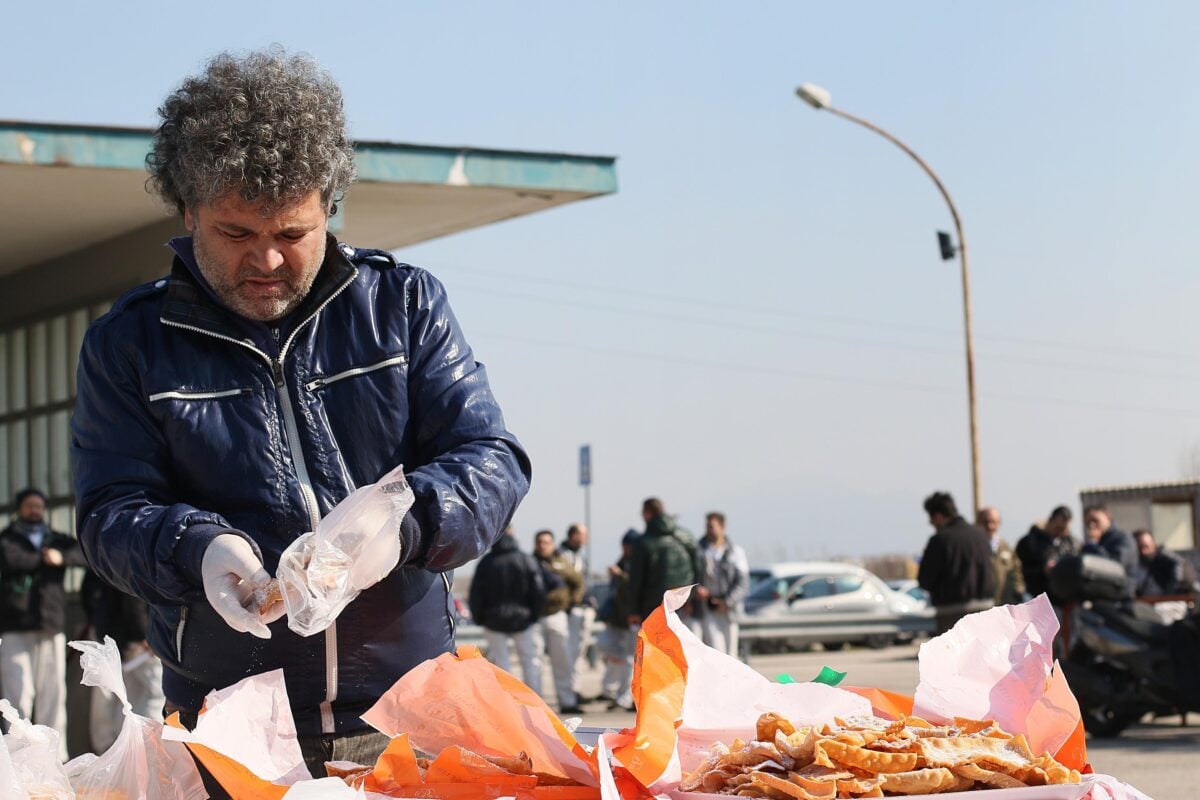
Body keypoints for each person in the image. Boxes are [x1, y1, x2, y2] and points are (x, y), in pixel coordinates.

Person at [70, 49, 531, 786]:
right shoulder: (127, 344)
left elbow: (490, 458)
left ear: (329, 208)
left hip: (404, 709)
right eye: (235, 234)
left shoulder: (403, 306)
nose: (268, 261)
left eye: (292, 233)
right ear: (187, 211)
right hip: (229, 721)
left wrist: (401, 528)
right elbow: (108, 512)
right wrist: (199, 547)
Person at [0, 487, 88, 757]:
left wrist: (60, 558)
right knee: (19, 693)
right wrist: (43, 559)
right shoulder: (8, 539)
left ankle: (55, 757)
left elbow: (83, 555)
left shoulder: (56, 539)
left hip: (51, 624)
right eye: (29, 506)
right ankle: (17, 755)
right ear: (20, 509)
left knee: (53, 693)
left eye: (39, 506)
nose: (35, 510)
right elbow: (11, 560)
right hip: (14, 626)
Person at [80, 569, 165, 752]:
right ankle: (141, 747)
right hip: (134, 640)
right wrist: (145, 634)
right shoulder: (133, 555)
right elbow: (133, 599)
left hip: (119, 635)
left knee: (127, 698)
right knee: (155, 692)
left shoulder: (111, 552)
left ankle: (126, 748)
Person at [468, 528, 545, 694]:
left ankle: (507, 702)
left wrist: (479, 617)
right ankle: (535, 700)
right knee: (530, 661)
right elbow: (537, 590)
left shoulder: (486, 562)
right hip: (523, 618)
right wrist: (534, 615)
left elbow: (476, 594)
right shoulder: (526, 560)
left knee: (501, 663)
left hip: (493, 619)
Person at [916, 492, 995, 634]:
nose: (932, 524)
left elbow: (925, 580)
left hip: (951, 614)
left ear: (938, 516)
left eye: (932, 519)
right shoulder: (981, 535)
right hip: (985, 611)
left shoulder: (939, 540)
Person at [627, 498, 703, 626]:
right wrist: (694, 597)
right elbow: (699, 567)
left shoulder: (643, 543)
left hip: (655, 606)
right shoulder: (686, 536)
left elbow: (636, 580)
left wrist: (634, 610)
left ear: (648, 513)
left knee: (658, 645)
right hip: (684, 603)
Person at [533, 530, 584, 713]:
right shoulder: (530, 563)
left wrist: (572, 603)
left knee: (562, 660)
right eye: (539, 542)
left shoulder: (562, 563)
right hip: (536, 617)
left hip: (557, 615)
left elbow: (578, 582)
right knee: (535, 662)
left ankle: (567, 701)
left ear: (553, 544)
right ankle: (536, 705)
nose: (542, 545)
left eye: (546, 542)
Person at [694, 512, 750, 656]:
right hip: (708, 608)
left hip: (729, 610)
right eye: (707, 526)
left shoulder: (735, 552)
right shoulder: (699, 551)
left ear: (722, 527)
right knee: (716, 651)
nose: (708, 530)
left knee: (731, 653)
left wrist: (727, 602)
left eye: (711, 526)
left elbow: (742, 583)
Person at [598, 530, 640, 712]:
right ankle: (614, 690)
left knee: (631, 659)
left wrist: (620, 575)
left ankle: (624, 697)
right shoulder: (623, 561)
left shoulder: (638, 562)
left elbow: (634, 587)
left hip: (632, 618)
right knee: (608, 649)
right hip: (618, 618)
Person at [560, 523, 597, 702]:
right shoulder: (562, 555)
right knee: (570, 652)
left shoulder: (582, 555)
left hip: (584, 608)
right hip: (570, 610)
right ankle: (570, 691)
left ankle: (576, 688)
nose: (585, 539)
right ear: (574, 535)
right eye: (583, 535)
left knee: (579, 652)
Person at [1015, 506, 1079, 604]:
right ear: (1050, 521)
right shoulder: (1031, 541)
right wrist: (1043, 567)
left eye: (1064, 529)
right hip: (1036, 596)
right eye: (1058, 527)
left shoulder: (1070, 543)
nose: (1060, 532)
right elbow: (1021, 565)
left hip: (1062, 600)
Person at [976, 506, 1025, 605]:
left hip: (1004, 604)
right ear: (978, 523)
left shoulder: (1006, 547)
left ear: (999, 523)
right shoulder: (973, 547)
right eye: (985, 522)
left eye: (993, 522)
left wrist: (1018, 590)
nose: (989, 526)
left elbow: (1017, 571)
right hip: (982, 605)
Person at [1132, 529, 1197, 598]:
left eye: (1146, 547)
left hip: (1175, 600)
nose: (1143, 552)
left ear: (1153, 545)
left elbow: (1178, 565)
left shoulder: (1166, 559)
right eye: (1139, 548)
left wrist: (1169, 594)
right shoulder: (1136, 564)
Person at [1082, 505, 1138, 581]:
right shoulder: (1093, 543)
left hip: (1119, 589)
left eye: (1095, 520)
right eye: (1088, 523)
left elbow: (1115, 566)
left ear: (1108, 517)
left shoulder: (1123, 538)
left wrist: (1094, 544)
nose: (1091, 525)